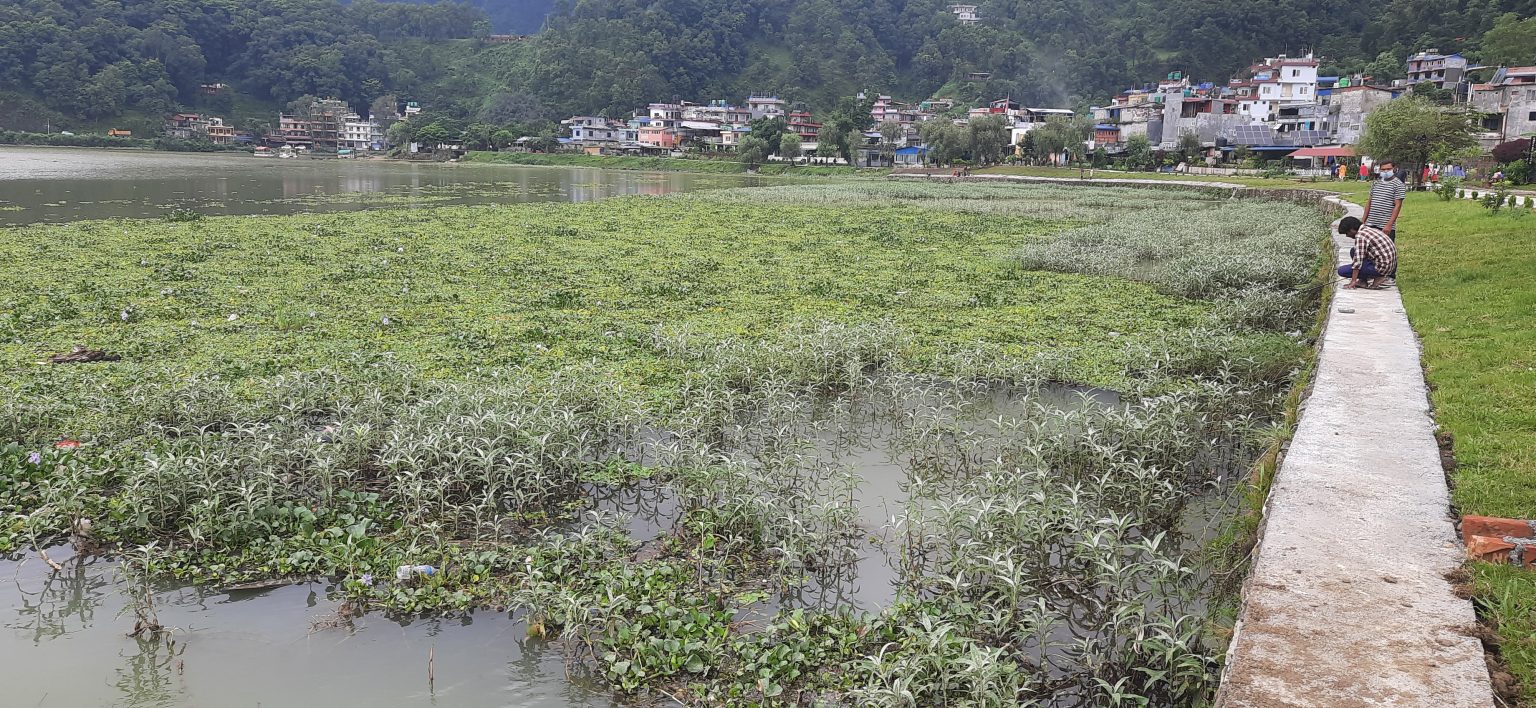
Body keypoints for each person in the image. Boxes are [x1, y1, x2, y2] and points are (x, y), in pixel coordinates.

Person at [1362, 159, 1406, 284]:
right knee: (1370, 249)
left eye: (1388, 169)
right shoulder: (1376, 183)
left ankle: (1390, 276)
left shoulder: (1398, 184)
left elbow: (1397, 206)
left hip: (1386, 223)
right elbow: (1369, 202)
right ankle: (1372, 273)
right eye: (1383, 169)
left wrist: (1389, 224)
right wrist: (1363, 221)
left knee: (1388, 249)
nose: (1386, 171)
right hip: (1371, 222)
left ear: (1394, 169)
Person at [1336, 216, 1397, 289]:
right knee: (1353, 250)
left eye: (1347, 233)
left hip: (1381, 268)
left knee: (1342, 271)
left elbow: (1357, 262)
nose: (1347, 236)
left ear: (1352, 230)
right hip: (1388, 266)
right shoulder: (1367, 229)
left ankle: (1380, 277)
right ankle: (1363, 281)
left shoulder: (1360, 236)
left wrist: (1353, 281)